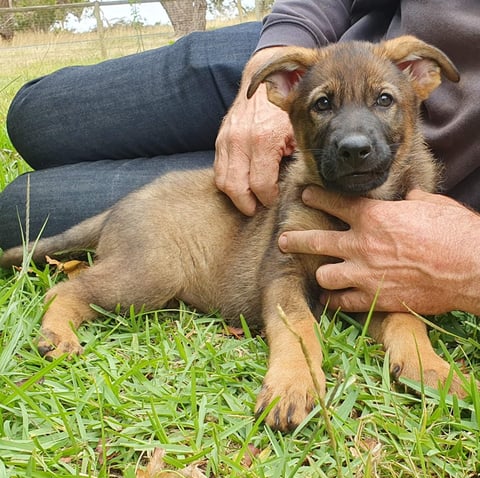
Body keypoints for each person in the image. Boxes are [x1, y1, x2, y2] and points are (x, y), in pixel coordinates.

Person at [1, 0, 479, 316]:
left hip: (396, 177)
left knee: (21, 206)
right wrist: (273, 59)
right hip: (318, 54)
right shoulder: (296, 79)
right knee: (35, 115)